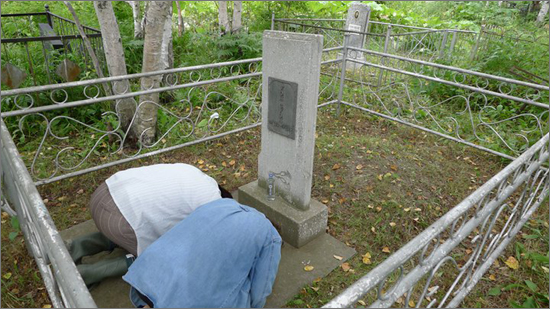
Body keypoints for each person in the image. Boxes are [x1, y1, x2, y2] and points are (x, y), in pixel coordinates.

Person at [67, 163, 233, 286]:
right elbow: (200, 242)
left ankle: (77, 247)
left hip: (103, 194)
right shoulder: (212, 202)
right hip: (119, 219)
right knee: (154, 257)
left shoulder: (197, 175)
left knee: (134, 222)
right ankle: (86, 275)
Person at [123, 198, 282, 308]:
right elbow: (262, 286)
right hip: (183, 298)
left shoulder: (224, 204)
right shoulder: (271, 236)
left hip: (146, 276)